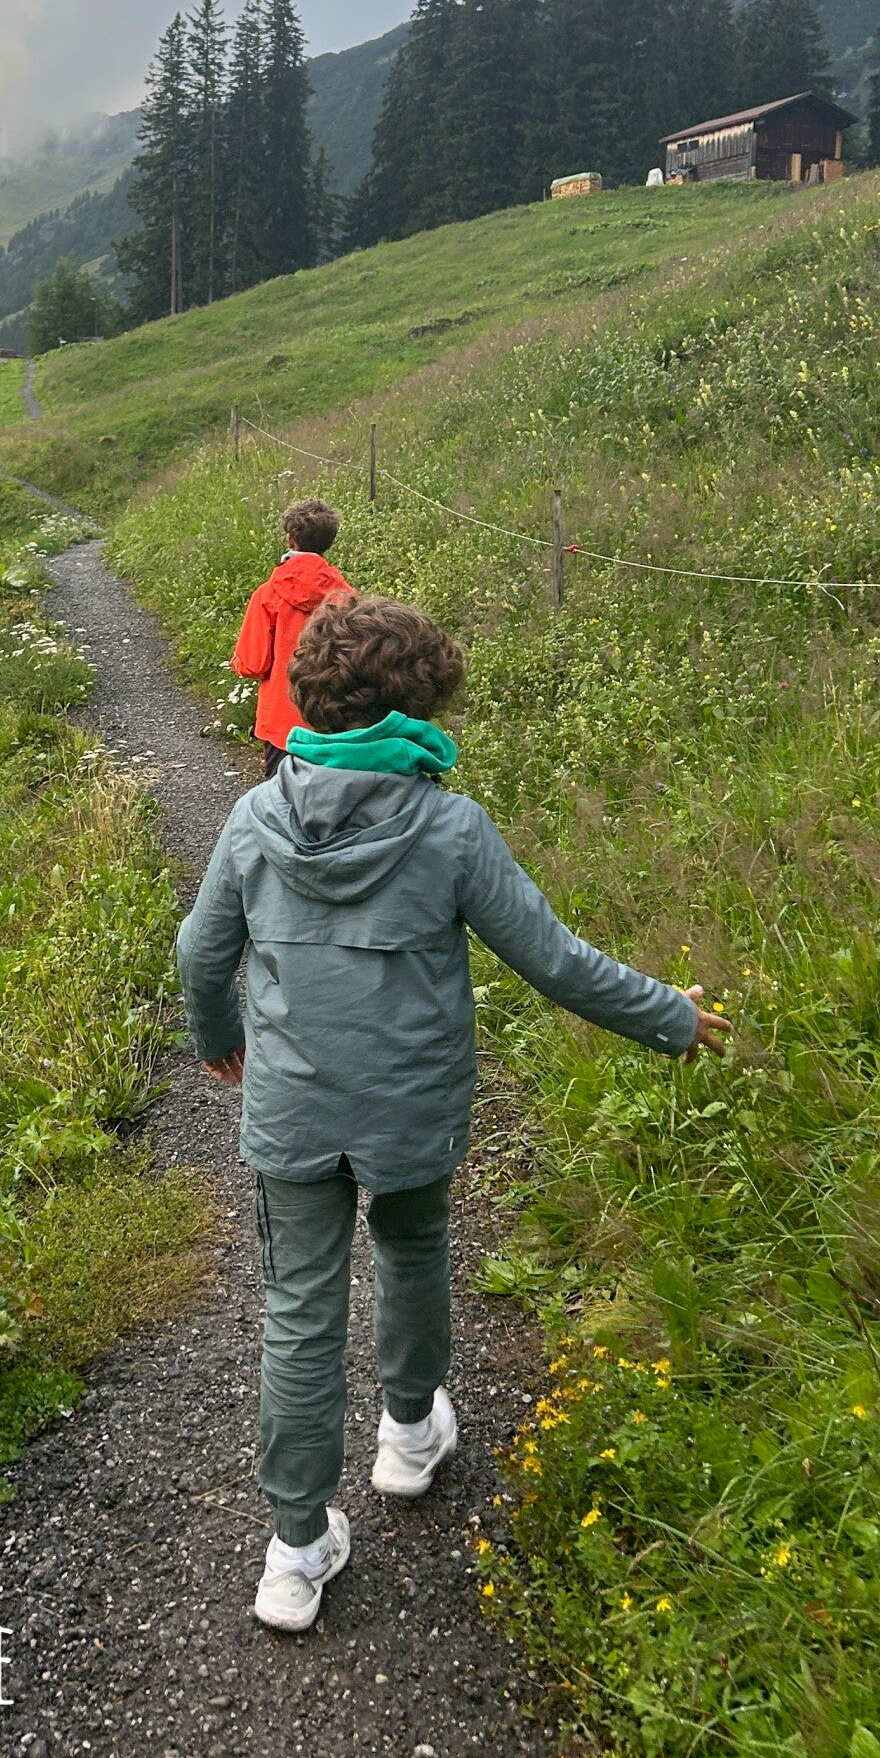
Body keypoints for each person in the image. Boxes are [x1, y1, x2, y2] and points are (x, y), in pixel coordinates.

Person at [176, 593, 730, 1632]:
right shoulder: (448, 828)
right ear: (421, 697)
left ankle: (295, 1550)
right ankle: (406, 1435)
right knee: (416, 1246)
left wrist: (217, 1039)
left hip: (293, 1108)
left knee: (299, 1311)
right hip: (410, 1099)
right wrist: (671, 1016)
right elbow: (555, 960)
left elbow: (200, 954)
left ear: (311, 698)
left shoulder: (256, 820)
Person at [231, 498, 354, 778]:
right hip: (333, 722)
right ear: (329, 543)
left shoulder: (268, 594)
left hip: (282, 724)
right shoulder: (347, 597)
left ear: (290, 539)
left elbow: (252, 664)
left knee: (280, 807)